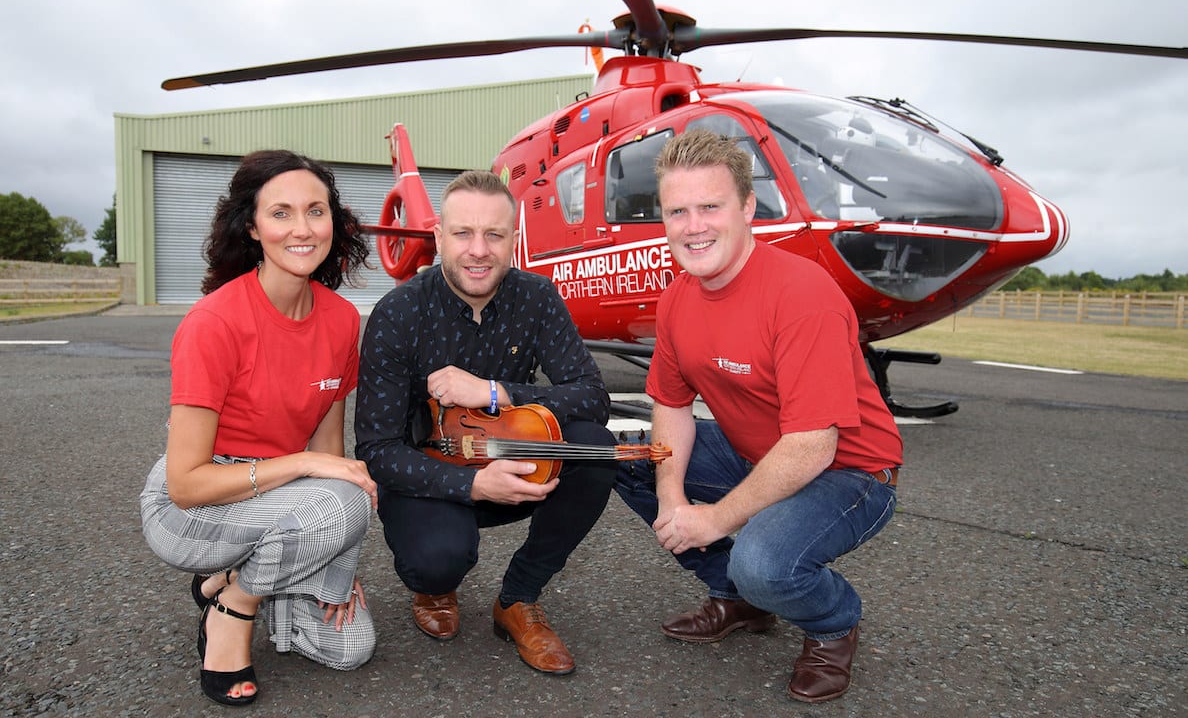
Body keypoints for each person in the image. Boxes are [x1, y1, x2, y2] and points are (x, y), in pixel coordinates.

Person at [615, 130, 903, 703]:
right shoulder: (677, 298)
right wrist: (673, 498)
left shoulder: (801, 295)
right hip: (758, 455)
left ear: (747, 208)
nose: (693, 225)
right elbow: (672, 405)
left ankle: (833, 623)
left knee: (765, 561)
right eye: (678, 211)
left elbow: (812, 447)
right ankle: (740, 600)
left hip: (850, 473)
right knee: (624, 456)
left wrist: (714, 519)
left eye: (710, 207)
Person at [355, 169, 617, 676]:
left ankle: (518, 598)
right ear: (438, 238)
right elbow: (378, 448)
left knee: (593, 448)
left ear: (513, 240)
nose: (479, 250)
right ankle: (434, 587)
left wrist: (496, 392)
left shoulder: (538, 297)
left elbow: (593, 399)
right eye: (463, 233)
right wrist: (472, 484)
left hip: (512, 465)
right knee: (438, 557)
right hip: (427, 477)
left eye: (494, 235)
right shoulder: (397, 313)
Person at [139, 150, 378, 707]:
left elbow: (330, 454)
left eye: (316, 211)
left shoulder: (342, 319)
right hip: (191, 511)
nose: (302, 229)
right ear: (251, 226)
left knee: (350, 648)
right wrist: (306, 473)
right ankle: (234, 606)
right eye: (281, 213)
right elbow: (186, 484)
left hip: (282, 501)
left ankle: (224, 582)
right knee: (345, 500)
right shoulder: (214, 323)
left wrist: (335, 557)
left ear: (334, 224)